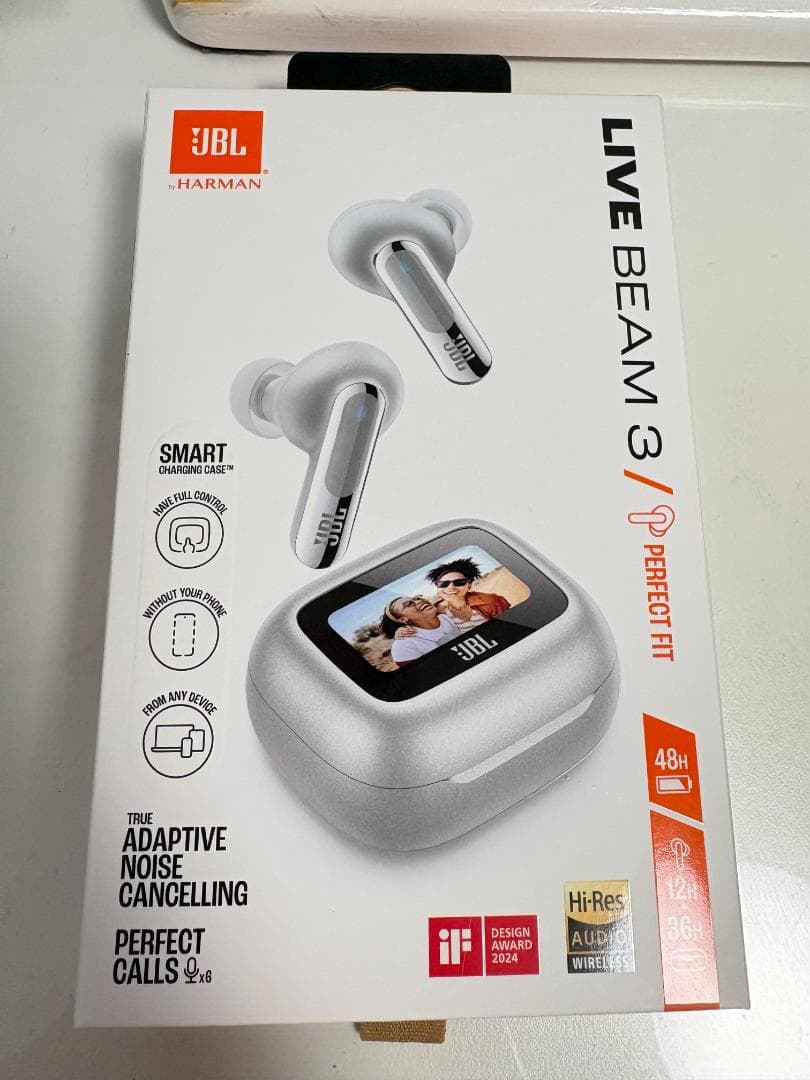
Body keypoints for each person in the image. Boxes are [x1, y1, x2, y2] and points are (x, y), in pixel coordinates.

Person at [426, 557, 510, 630]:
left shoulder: (492, 602)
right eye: (443, 584)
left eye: (459, 582)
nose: (450, 587)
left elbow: (509, 627)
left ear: (469, 585)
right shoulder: (436, 611)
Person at [380, 596, 460, 667]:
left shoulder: (448, 615)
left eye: (417, 598)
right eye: (408, 604)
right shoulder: (403, 645)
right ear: (403, 619)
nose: (418, 601)